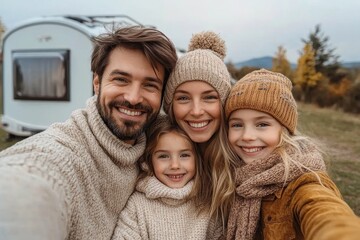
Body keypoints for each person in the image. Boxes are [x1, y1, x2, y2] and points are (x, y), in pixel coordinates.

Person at [0, 26, 177, 240]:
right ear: (97, 82)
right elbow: (30, 180)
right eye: (121, 79)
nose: (133, 97)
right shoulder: (64, 154)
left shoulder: (158, 141)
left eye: (150, 85)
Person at [224, 68, 360, 240]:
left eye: (262, 124)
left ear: (285, 130)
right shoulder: (231, 174)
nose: (247, 136)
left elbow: (326, 213)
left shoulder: (303, 182)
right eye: (237, 125)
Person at [162, 31, 237, 226]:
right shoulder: (154, 152)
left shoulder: (242, 157)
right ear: (170, 106)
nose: (196, 111)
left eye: (209, 97)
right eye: (183, 98)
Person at [111, 117, 222, 240]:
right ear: (149, 161)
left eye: (184, 155)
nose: (175, 165)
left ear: (197, 159)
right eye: (163, 156)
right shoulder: (138, 205)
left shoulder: (207, 201)